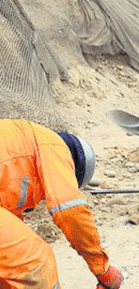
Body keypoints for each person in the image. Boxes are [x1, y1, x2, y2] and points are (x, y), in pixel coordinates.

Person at [0, 120, 123, 289]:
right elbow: (71, 211)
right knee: (34, 261)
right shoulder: (54, 145)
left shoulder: (22, 147)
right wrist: (102, 268)